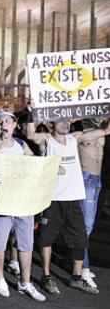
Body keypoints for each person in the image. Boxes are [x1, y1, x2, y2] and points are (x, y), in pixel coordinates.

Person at [27, 118, 110, 295]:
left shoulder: (75, 138)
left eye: (67, 121)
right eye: (60, 121)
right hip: (53, 199)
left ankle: (77, 278)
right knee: (46, 239)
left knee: (80, 239)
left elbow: (105, 131)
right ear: (52, 125)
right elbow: (30, 135)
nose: (65, 124)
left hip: (73, 199)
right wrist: (31, 115)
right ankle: (47, 276)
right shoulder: (47, 139)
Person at [0, 111, 45, 301]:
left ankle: (25, 282)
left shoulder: (21, 145)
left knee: (26, 243)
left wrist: (42, 155)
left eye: (8, 121)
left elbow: (33, 165)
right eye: (0, 121)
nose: (4, 124)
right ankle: (0, 279)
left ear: (14, 125)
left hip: (21, 201)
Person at [77, 118, 105, 288]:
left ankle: (80, 262)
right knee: (85, 227)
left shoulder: (100, 130)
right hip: (86, 178)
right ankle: (83, 268)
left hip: (97, 179)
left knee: (90, 226)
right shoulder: (79, 134)